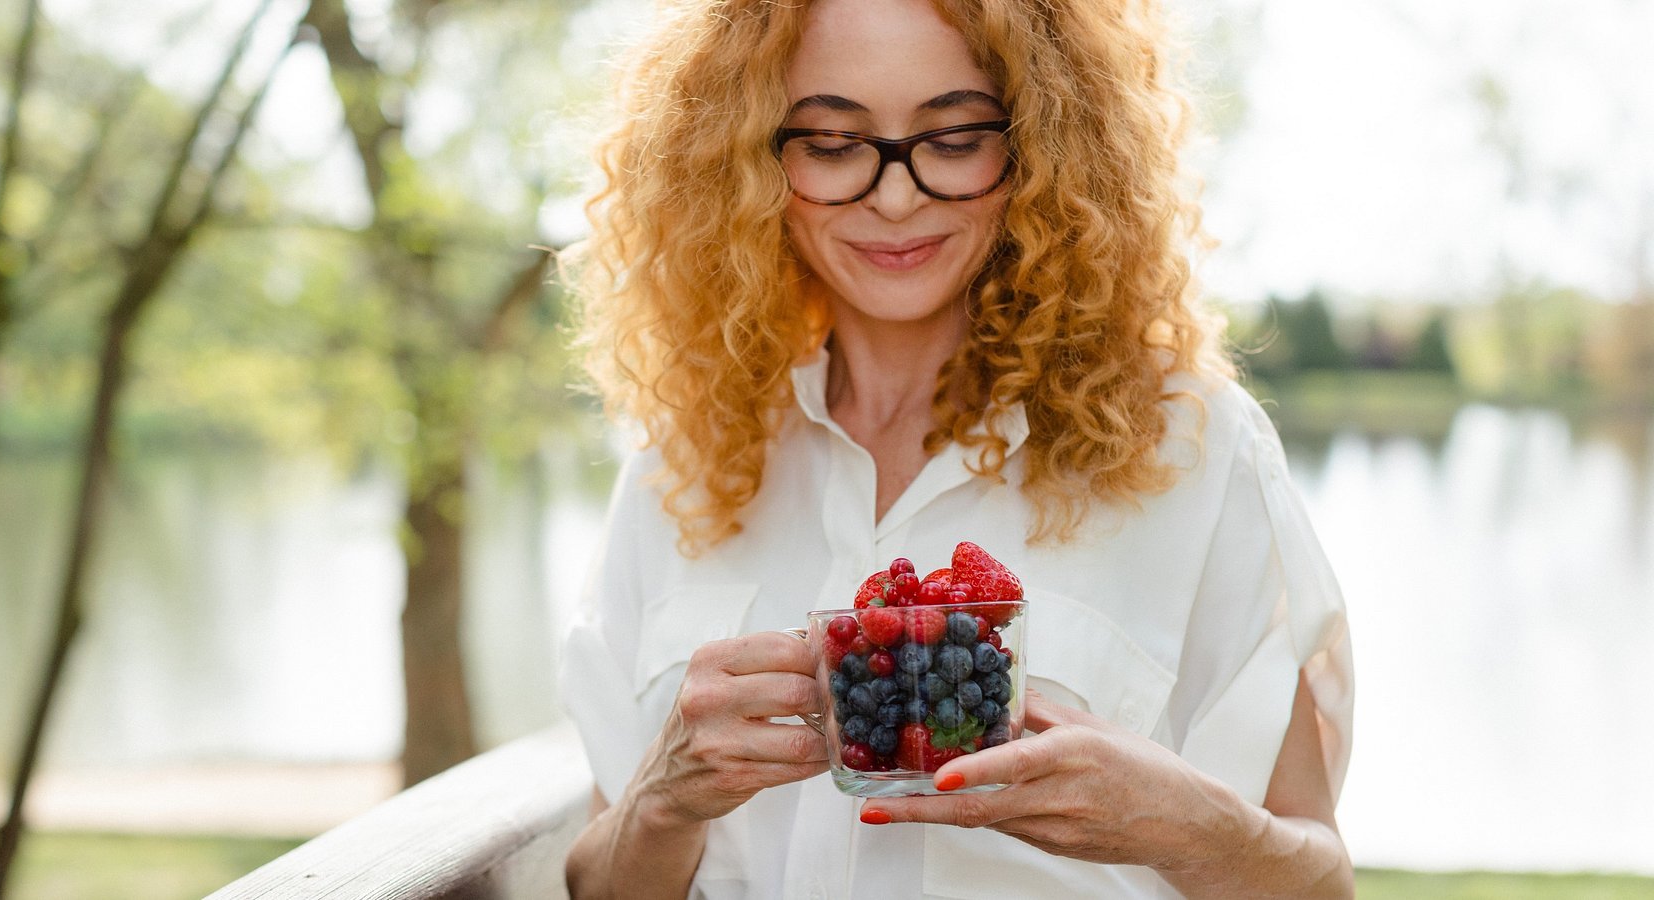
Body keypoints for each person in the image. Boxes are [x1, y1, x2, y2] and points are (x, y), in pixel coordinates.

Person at [557, 0, 1355, 896]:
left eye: (955, 137)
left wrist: (1186, 828)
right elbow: (598, 879)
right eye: (829, 143)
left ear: (1041, 146)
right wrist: (664, 799)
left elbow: (1320, 880)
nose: (896, 198)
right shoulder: (681, 465)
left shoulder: (1194, 449)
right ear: (749, 159)